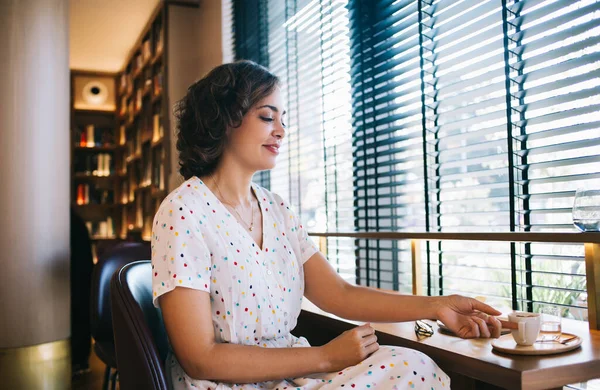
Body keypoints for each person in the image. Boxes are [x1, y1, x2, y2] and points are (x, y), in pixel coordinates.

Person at [151, 60, 503, 390]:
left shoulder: (277, 209)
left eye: (282, 119)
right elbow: (200, 359)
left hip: (292, 375)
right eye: (266, 117)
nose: (281, 131)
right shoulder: (183, 211)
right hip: (227, 383)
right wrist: (326, 356)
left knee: (411, 362)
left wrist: (437, 306)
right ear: (225, 120)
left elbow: (339, 294)